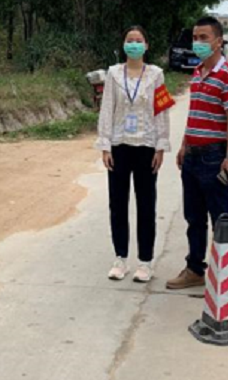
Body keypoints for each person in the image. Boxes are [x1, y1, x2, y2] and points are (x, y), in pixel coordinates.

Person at [166, 16, 228, 290]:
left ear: (218, 41)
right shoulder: (198, 72)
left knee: (221, 217)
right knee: (194, 218)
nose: (197, 43)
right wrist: (184, 145)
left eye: (203, 38)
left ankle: (226, 276)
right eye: (195, 38)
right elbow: (194, 112)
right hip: (192, 155)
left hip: (213, 156)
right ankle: (195, 269)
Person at [96, 26, 171, 283]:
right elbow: (107, 108)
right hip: (119, 145)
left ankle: (145, 261)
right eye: (130, 40)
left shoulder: (156, 75)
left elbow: (161, 110)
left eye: (138, 40)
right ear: (124, 44)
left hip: (146, 146)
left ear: (146, 45)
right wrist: (105, 145)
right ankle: (120, 258)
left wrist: (161, 145)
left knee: (146, 205)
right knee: (118, 204)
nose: (134, 44)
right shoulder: (113, 74)